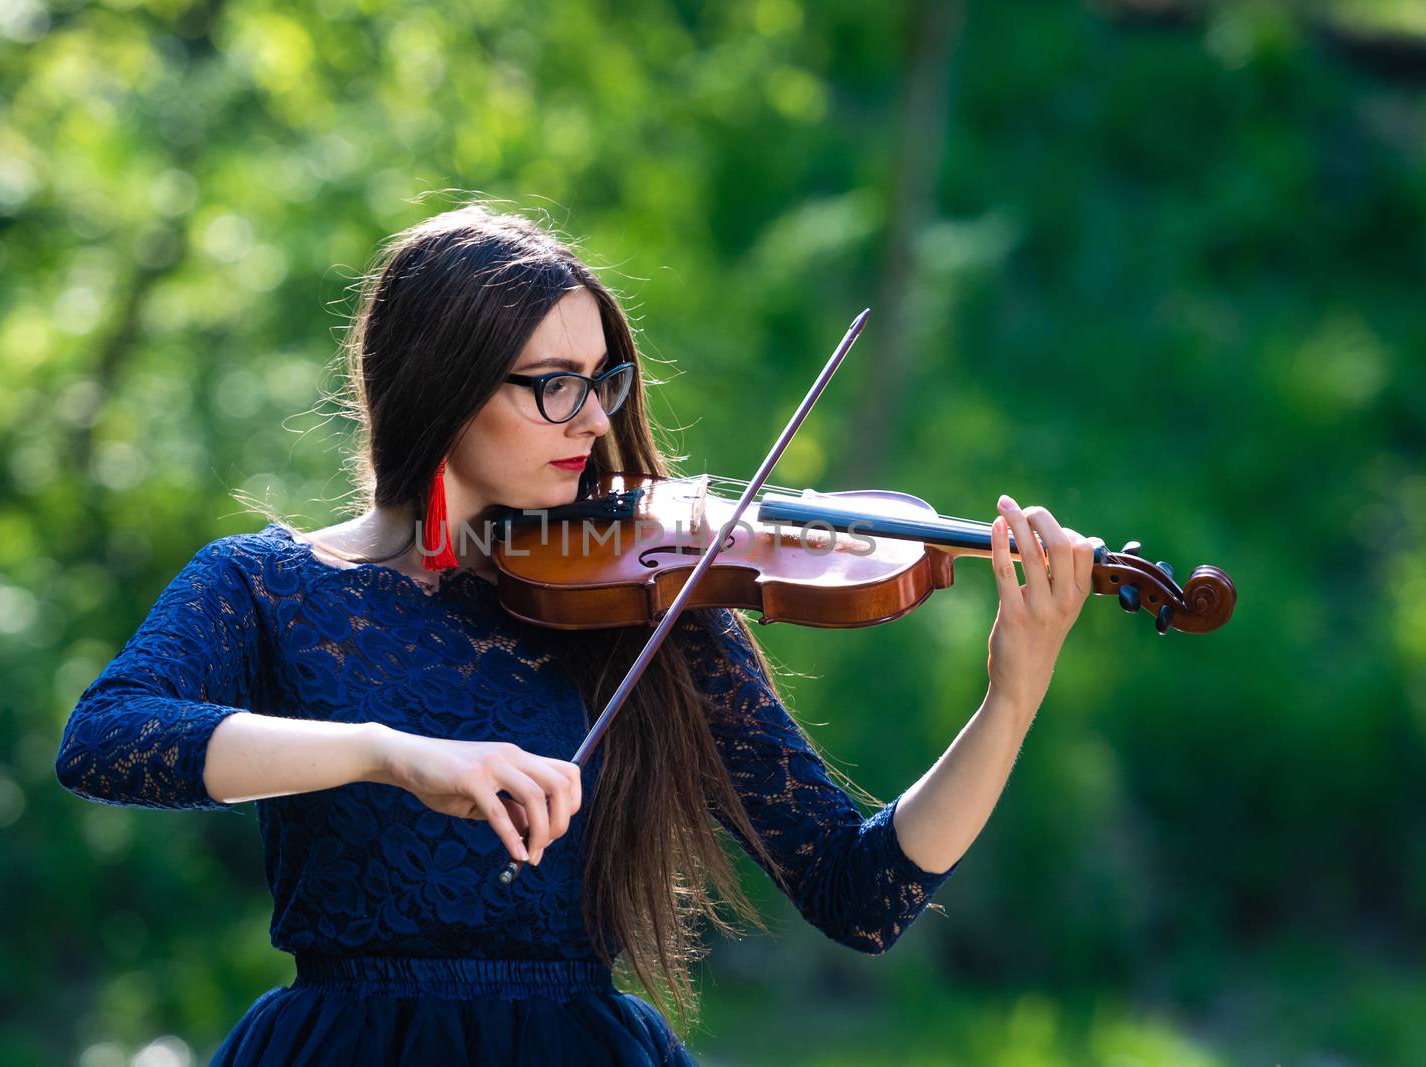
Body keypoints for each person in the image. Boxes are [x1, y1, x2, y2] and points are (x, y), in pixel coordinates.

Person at [54, 204, 1103, 1065]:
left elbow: (859, 890)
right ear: (442, 384)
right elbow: (108, 741)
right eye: (552, 385)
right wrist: (389, 754)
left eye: (602, 380)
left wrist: (1008, 701)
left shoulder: (652, 594)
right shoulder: (267, 585)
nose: (594, 421)